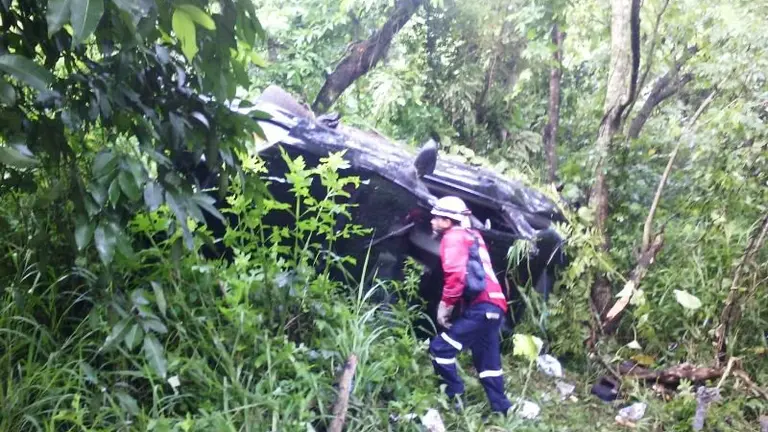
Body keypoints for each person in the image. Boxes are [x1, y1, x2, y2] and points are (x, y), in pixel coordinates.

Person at [427, 195, 513, 415]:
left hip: (482, 308)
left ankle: (455, 398)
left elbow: (455, 276)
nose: (432, 221)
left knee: (440, 349)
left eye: (436, 217)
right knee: (488, 363)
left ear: (448, 221)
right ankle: (502, 410)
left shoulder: (453, 237)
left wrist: (444, 308)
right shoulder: (474, 236)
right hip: (495, 307)